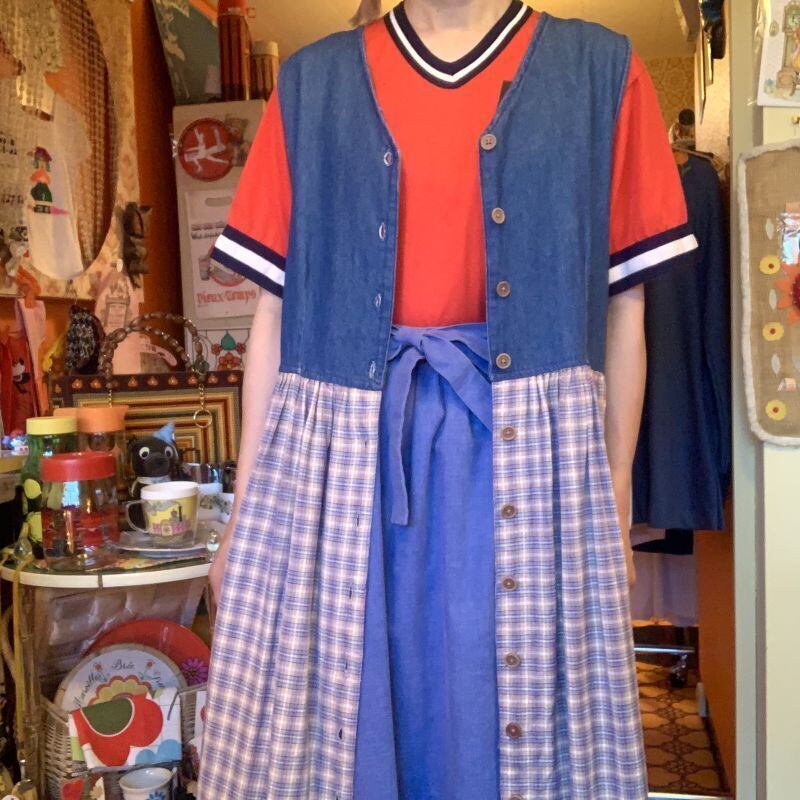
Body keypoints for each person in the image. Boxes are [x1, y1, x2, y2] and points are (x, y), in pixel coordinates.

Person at [199, 1, 697, 798]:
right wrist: (243, 520)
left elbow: (623, 309)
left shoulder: (602, 73)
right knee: (345, 720)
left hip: (527, 462)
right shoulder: (311, 85)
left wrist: (613, 500)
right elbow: (272, 317)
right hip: (346, 465)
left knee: (509, 725)